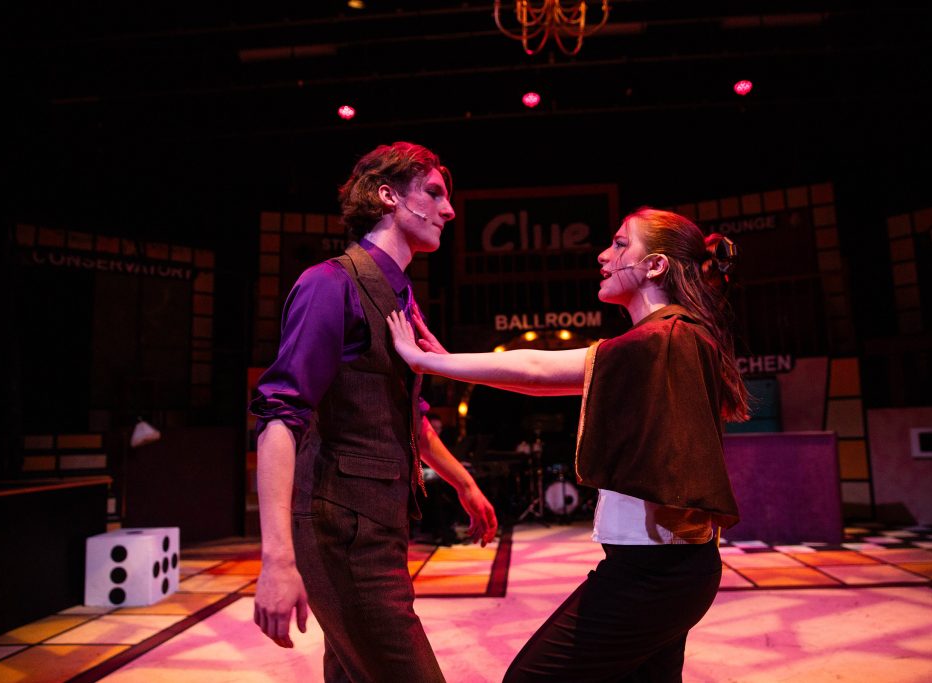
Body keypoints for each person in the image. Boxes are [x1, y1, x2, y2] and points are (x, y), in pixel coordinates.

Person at [387, 208, 748, 682]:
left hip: (656, 571)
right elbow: (541, 382)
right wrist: (448, 361)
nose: (604, 255)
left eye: (620, 244)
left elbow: (538, 371)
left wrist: (426, 362)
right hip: (667, 567)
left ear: (656, 265)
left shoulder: (664, 339)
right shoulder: (665, 339)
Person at [250, 141, 498, 683]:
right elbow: (279, 417)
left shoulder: (400, 296)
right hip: (341, 527)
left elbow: (406, 417)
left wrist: (464, 483)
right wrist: (277, 559)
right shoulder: (330, 283)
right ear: (388, 196)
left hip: (379, 525)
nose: (449, 210)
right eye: (434, 193)